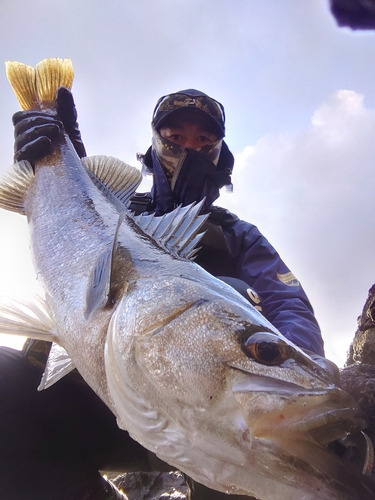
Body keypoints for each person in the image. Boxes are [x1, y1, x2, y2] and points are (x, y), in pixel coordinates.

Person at [0, 87, 329, 500]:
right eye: (175, 136)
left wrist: (290, 378)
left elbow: (287, 302)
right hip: (103, 401)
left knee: (238, 295)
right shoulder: (122, 209)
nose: (189, 147)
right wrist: (62, 164)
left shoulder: (239, 235)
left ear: (219, 153)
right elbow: (68, 244)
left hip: (219, 414)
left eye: (205, 140)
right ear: (156, 144)